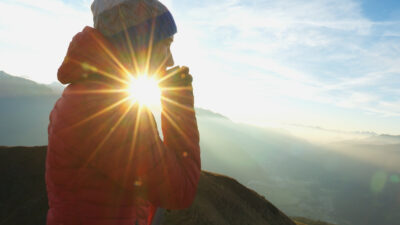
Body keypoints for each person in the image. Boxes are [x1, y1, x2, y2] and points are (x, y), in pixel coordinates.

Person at [45, 0, 201, 224]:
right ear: (138, 44)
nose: (170, 60)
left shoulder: (87, 94)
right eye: (165, 44)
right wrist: (178, 100)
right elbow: (180, 191)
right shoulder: (110, 111)